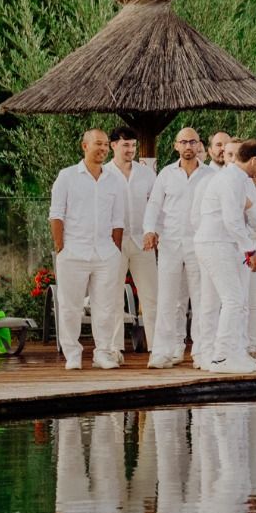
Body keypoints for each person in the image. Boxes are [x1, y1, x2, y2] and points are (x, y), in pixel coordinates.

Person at [49, 128, 127, 371]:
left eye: (106, 144)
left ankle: (102, 353)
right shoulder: (67, 176)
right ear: (84, 146)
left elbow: (118, 221)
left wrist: (114, 249)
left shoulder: (114, 180)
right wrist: (61, 248)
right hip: (73, 252)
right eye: (98, 144)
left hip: (105, 254)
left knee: (105, 307)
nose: (103, 148)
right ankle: (73, 353)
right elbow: (56, 215)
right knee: (70, 306)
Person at [192, 140, 256, 374]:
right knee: (233, 300)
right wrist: (250, 250)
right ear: (253, 160)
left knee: (225, 300)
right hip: (216, 243)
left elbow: (253, 217)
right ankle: (221, 358)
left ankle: (227, 353)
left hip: (218, 243)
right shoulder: (230, 179)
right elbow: (232, 220)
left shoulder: (238, 180)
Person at [142, 128, 207, 367]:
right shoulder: (166, 174)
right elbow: (154, 205)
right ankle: (163, 351)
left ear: (199, 145)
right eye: (183, 142)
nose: (188, 146)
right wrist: (150, 230)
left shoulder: (209, 175)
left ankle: (201, 351)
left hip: (199, 243)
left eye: (192, 142)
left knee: (201, 299)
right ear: (175, 145)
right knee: (168, 299)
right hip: (170, 243)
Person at [108, 127, 156, 359]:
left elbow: (156, 206)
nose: (131, 150)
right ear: (113, 145)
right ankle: (115, 348)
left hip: (142, 241)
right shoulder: (104, 174)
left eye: (133, 146)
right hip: (113, 243)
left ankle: (157, 346)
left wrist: (153, 231)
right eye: (126, 145)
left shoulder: (147, 174)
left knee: (152, 295)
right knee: (113, 296)